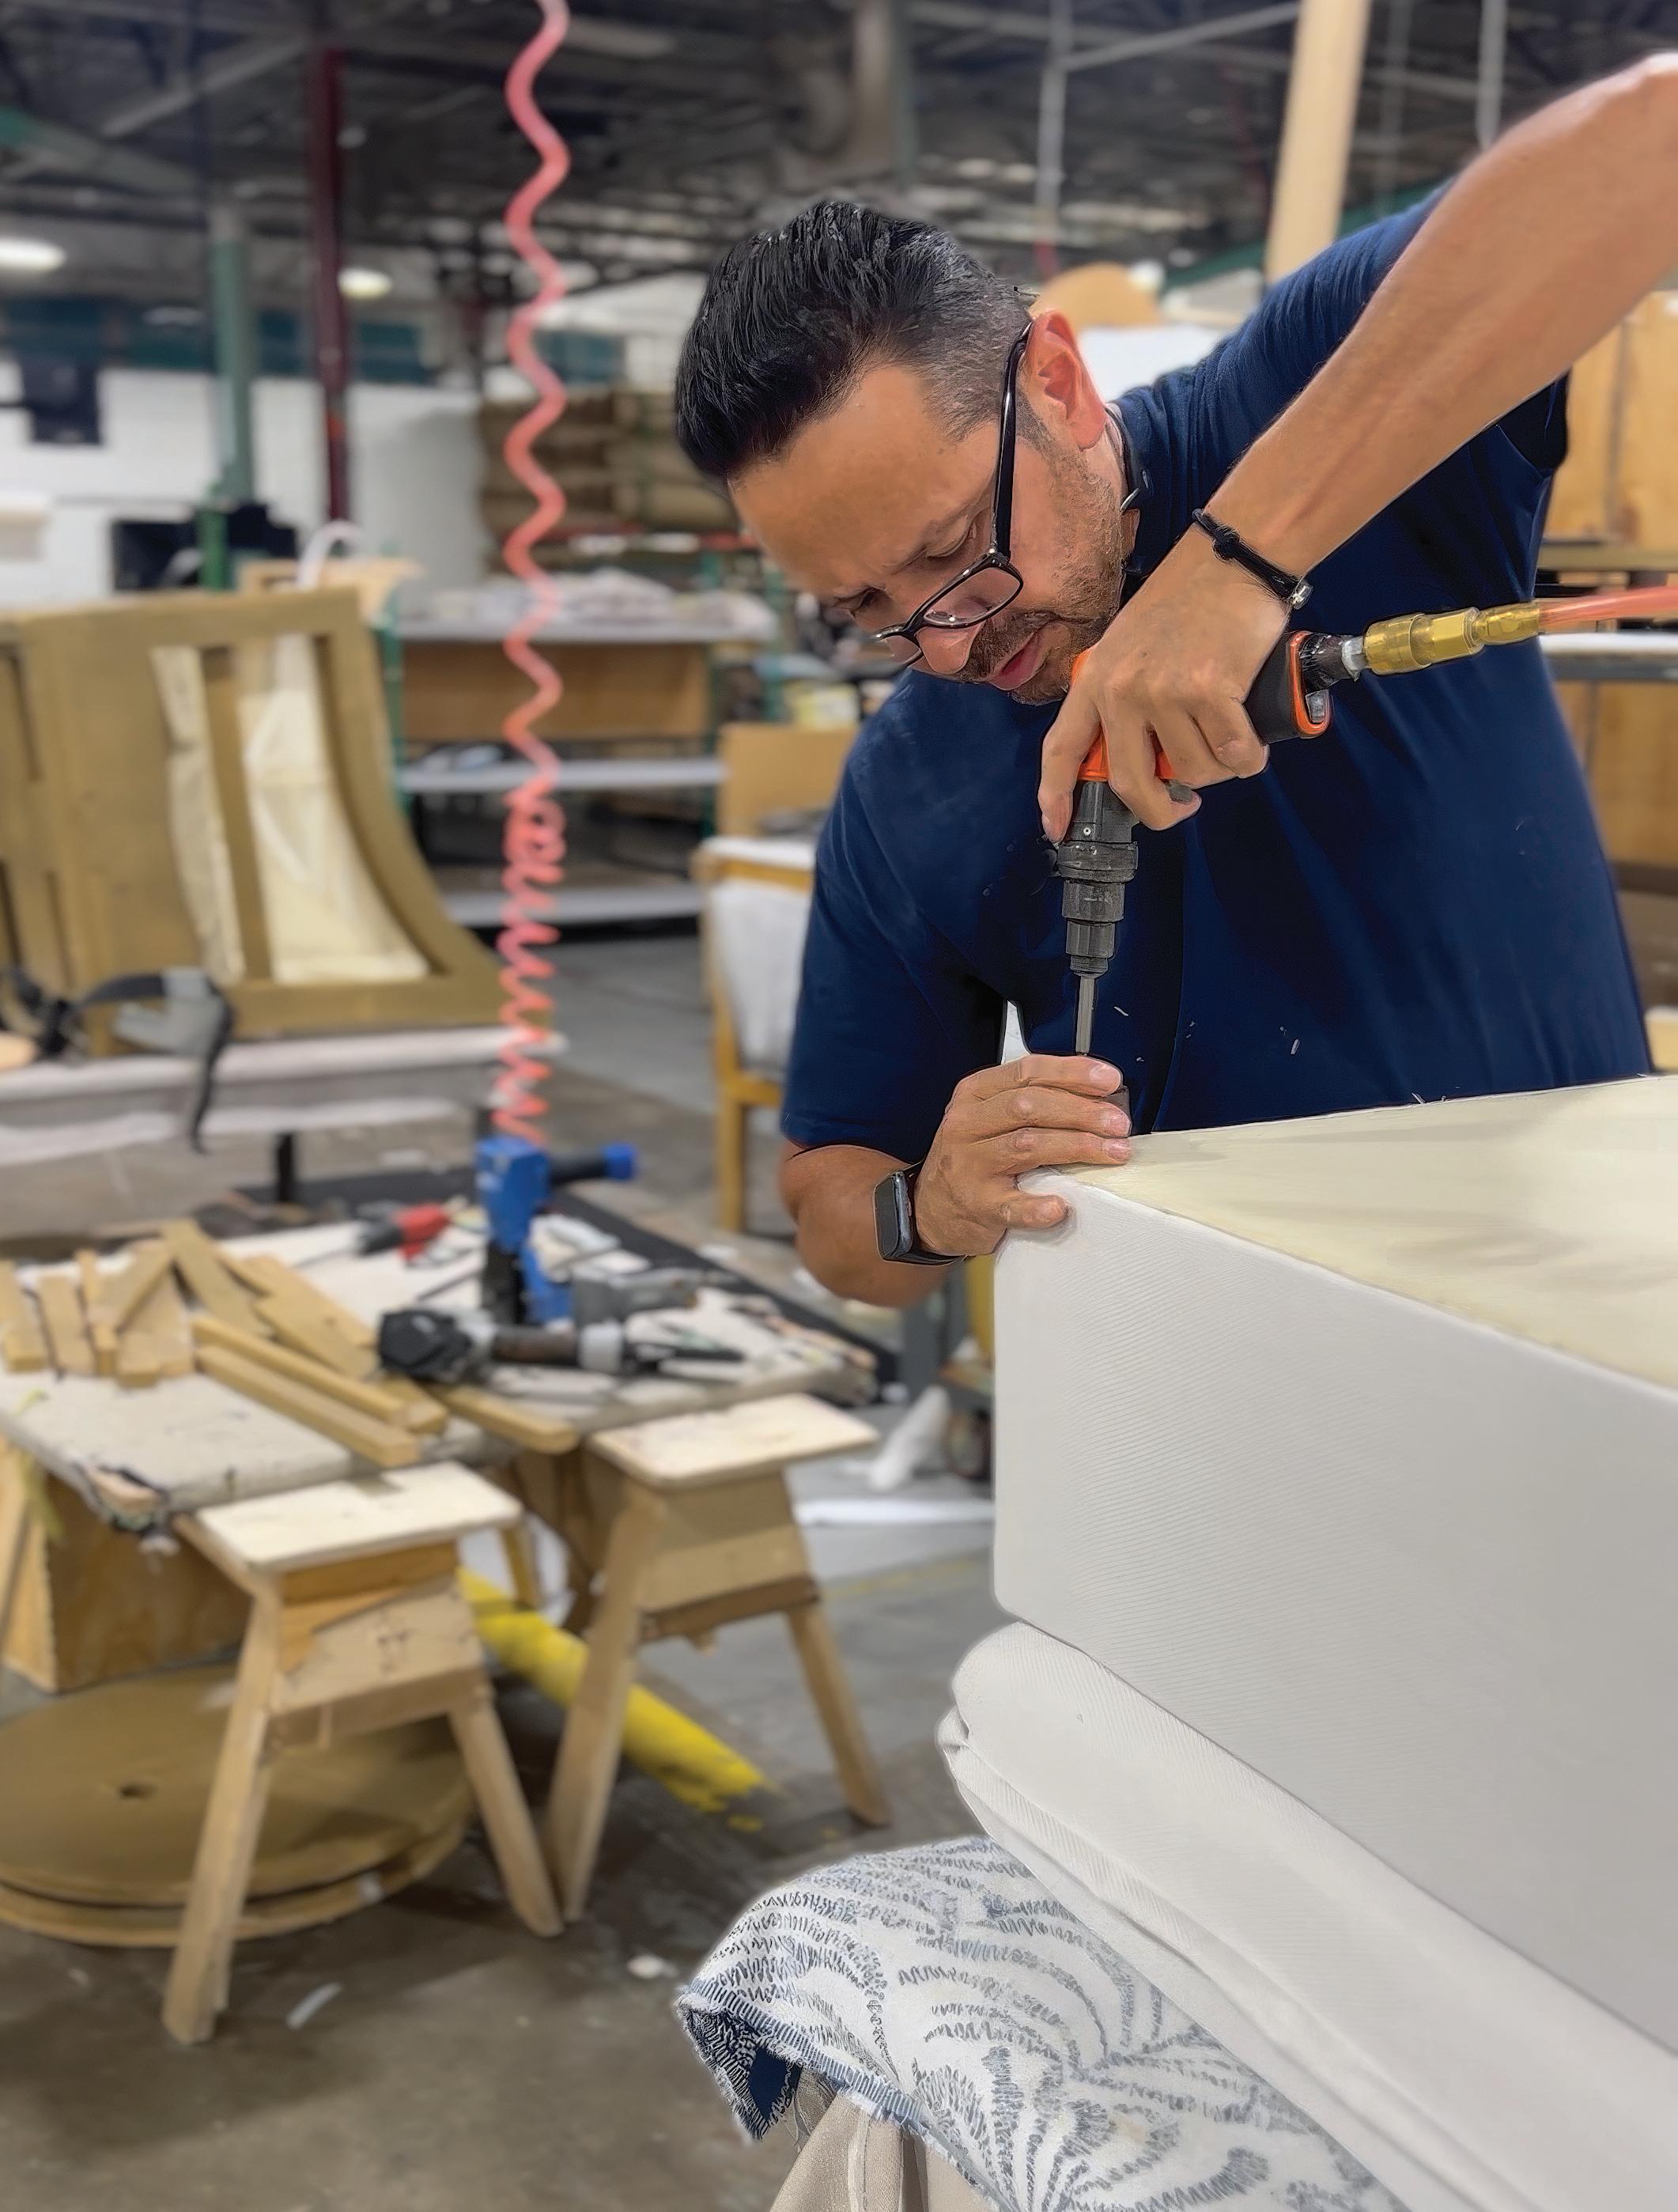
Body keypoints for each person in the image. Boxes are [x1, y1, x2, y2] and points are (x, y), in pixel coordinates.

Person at [675, 59, 1666, 1305]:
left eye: (952, 550)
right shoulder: (905, 785)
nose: (947, 645)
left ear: (1055, 383)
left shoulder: (1291, 402)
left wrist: (1241, 557)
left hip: (1573, 1295)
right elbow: (834, 1210)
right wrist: (928, 1202)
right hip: (1195, 1358)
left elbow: (1654, 135)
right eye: (865, 608)